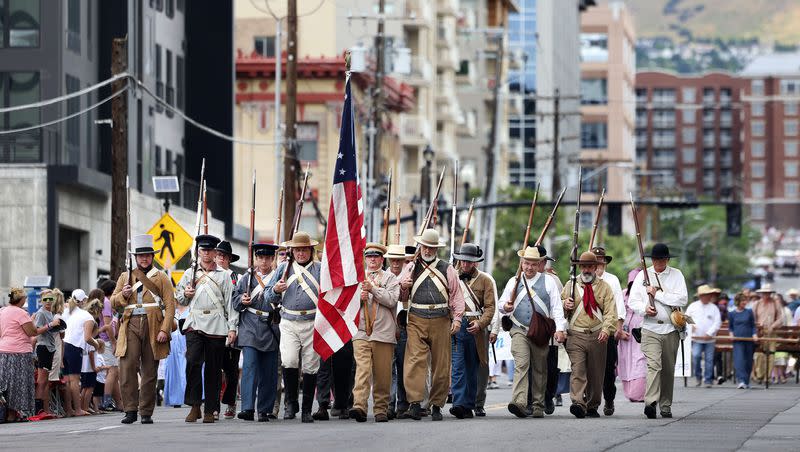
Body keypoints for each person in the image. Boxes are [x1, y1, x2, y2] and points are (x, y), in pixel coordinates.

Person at [397, 229, 465, 421]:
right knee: (414, 362)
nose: (427, 250)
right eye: (425, 246)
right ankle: (416, 403)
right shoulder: (410, 268)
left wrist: (458, 318)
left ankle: (436, 404)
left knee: (441, 364)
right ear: (421, 246)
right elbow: (401, 297)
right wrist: (404, 286)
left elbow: (456, 296)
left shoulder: (447, 268)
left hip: (441, 318)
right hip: (416, 317)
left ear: (436, 249)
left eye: (431, 247)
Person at [111, 234, 177, 424]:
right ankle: (130, 409)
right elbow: (114, 302)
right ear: (135, 258)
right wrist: (123, 295)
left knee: (149, 370)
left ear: (152, 256)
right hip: (130, 321)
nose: (144, 258)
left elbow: (170, 305)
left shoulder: (161, 277)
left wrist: (165, 329)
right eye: (141, 256)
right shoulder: (125, 276)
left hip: (153, 324)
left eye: (147, 255)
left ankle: (146, 411)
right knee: (127, 367)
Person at [176, 234, 237, 424]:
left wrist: (232, 327)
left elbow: (230, 304)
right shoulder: (189, 273)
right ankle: (195, 406)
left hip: (217, 323)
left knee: (213, 368)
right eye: (203, 250)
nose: (206, 253)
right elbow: (180, 298)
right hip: (195, 321)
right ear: (198, 251)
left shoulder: (224, 276)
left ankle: (210, 408)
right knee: (193, 361)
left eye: (210, 250)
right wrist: (186, 293)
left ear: (214, 252)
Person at [498, 246, 565, 418]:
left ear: (539, 264)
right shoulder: (513, 281)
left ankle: (537, 404)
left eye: (533, 264)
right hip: (519, 329)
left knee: (540, 369)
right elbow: (501, 304)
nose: (529, 267)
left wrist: (560, 329)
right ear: (521, 263)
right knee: (521, 364)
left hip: (541, 332)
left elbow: (557, 308)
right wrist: (506, 307)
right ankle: (519, 402)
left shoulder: (549, 281)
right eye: (526, 263)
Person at [265, 231, 322, 423]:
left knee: (310, 366)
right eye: (297, 250)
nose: (300, 254)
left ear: (310, 250)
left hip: (313, 321)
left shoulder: (320, 270)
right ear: (292, 251)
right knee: (289, 361)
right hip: (289, 321)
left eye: (304, 250)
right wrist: (275, 289)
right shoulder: (283, 269)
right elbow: (268, 296)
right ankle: (291, 404)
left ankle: (306, 409)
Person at [628, 243, 688, 419]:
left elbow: (682, 298)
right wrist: (645, 309)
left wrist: (656, 294)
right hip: (650, 327)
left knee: (668, 369)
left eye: (661, 259)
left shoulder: (676, 275)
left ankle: (666, 405)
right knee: (654, 365)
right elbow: (633, 301)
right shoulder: (642, 275)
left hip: (670, 328)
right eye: (655, 259)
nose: (658, 262)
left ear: (667, 259)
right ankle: (650, 402)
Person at [348, 243, 400, 423]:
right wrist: (358, 298)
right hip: (361, 331)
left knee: (382, 373)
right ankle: (360, 406)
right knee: (362, 369)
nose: (372, 259)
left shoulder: (391, 278)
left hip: (383, 332)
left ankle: (380, 409)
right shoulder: (357, 277)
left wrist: (373, 290)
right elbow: (346, 303)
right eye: (369, 256)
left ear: (381, 258)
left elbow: (392, 300)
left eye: (376, 256)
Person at [561, 251, 617, 419]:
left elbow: (610, 313)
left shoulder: (605, 287)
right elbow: (559, 310)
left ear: (595, 268)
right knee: (578, 370)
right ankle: (578, 402)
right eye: (583, 266)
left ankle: (592, 405)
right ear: (580, 267)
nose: (586, 270)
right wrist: (565, 304)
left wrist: (607, 330)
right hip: (576, 334)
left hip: (597, 335)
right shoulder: (570, 285)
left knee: (596, 373)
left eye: (589, 267)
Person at [232, 243, 281, 422]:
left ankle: (264, 409)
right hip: (250, 324)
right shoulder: (246, 278)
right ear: (256, 259)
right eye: (261, 257)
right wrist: (242, 300)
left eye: (268, 258)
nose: (264, 261)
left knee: (268, 370)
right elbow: (235, 300)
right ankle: (247, 407)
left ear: (272, 259)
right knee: (249, 366)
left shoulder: (279, 277)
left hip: (270, 324)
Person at [0, 288, 61, 422]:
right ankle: (12, 414)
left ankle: (8, 414)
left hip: (4, 351)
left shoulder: (2, 311)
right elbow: (33, 332)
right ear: (21, 299)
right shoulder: (21, 313)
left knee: (6, 384)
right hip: (20, 352)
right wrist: (50, 325)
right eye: (25, 298)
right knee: (18, 384)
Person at [451, 243, 497, 419]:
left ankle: (469, 404)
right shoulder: (452, 276)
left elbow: (490, 308)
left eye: (469, 262)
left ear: (476, 263)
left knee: (472, 367)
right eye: (463, 261)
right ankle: (458, 403)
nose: (465, 264)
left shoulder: (485, 280)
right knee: (458, 366)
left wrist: (481, 324)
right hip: (457, 324)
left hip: (475, 326)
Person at [590, 246, 625, 416]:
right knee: (589, 368)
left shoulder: (613, 280)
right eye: (594, 262)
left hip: (608, 329)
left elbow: (619, 305)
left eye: (600, 261)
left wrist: (618, 327)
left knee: (608, 369)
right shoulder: (581, 279)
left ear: (605, 263)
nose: (598, 265)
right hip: (588, 329)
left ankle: (609, 399)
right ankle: (590, 402)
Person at [63, 290, 105, 417]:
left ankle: (69, 409)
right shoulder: (87, 316)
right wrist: (97, 344)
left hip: (65, 345)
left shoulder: (67, 312)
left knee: (68, 381)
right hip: (75, 347)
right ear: (83, 301)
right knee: (75, 381)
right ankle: (77, 409)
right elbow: (87, 338)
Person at [215, 239, 242, 420]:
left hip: (232, 325)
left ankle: (231, 402)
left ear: (229, 259)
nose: (219, 259)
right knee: (214, 370)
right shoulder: (209, 275)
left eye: (223, 256)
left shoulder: (237, 278)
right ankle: (214, 405)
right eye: (217, 255)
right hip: (214, 327)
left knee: (231, 372)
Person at [384, 244, 410, 419]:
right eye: (392, 259)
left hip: (403, 326)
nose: (395, 262)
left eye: (398, 259)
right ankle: (388, 404)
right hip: (385, 326)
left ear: (403, 261)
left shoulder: (410, 276)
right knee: (388, 369)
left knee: (402, 367)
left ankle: (403, 404)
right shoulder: (382, 276)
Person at [617, 269, 647, 402]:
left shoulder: (645, 295)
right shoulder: (623, 294)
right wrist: (619, 331)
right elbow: (617, 312)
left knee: (640, 360)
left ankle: (639, 392)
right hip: (625, 335)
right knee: (625, 361)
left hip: (640, 332)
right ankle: (630, 392)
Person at [686, 285, 722, 388]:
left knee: (709, 360)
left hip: (709, 339)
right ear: (700, 296)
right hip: (696, 338)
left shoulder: (714, 308)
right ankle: (698, 376)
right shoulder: (693, 306)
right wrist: (691, 325)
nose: (707, 297)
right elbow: (686, 317)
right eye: (705, 295)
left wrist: (709, 333)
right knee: (696, 356)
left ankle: (708, 379)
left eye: (708, 295)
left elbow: (717, 322)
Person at [33, 289, 62, 415]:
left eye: (51, 299)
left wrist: (59, 328)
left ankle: (44, 409)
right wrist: (51, 325)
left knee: (45, 381)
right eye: (46, 299)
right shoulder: (41, 313)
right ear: (41, 301)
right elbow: (36, 331)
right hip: (43, 347)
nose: (48, 302)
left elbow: (50, 331)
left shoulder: (49, 313)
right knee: (42, 380)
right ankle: (39, 409)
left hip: (50, 347)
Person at [97, 279, 122, 411]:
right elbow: (107, 325)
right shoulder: (106, 303)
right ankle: (106, 400)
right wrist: (113, 342)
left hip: (105, 340)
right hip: (107, 340)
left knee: (115, 373)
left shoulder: (106, 302)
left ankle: (119, 403)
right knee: (112, 371)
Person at [751, 285, 783, 385]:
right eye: (764, 293)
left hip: (771, 332)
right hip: (760, 332)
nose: (766, 295)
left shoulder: (775, 303)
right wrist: (756, 327)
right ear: (761, 294)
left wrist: (773, 326)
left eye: (768, 293)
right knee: (759, 354)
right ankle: (759, 374)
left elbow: (780, 318)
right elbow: (752, 318)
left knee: (771, 354)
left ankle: (767, 377)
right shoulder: (756, 304)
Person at [728, 293, 757, 389]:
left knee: (748, 361)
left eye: (745, 300)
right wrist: (731, 334)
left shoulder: (749, 312)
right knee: (739, 360)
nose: (745, 302)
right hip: (737, 340)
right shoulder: (732, 314)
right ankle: (741, 381)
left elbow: (753, 325)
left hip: (749, 339)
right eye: (742, 300)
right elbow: (731, 327)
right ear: (738, 302)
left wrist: (754, 334)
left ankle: (746, 381)